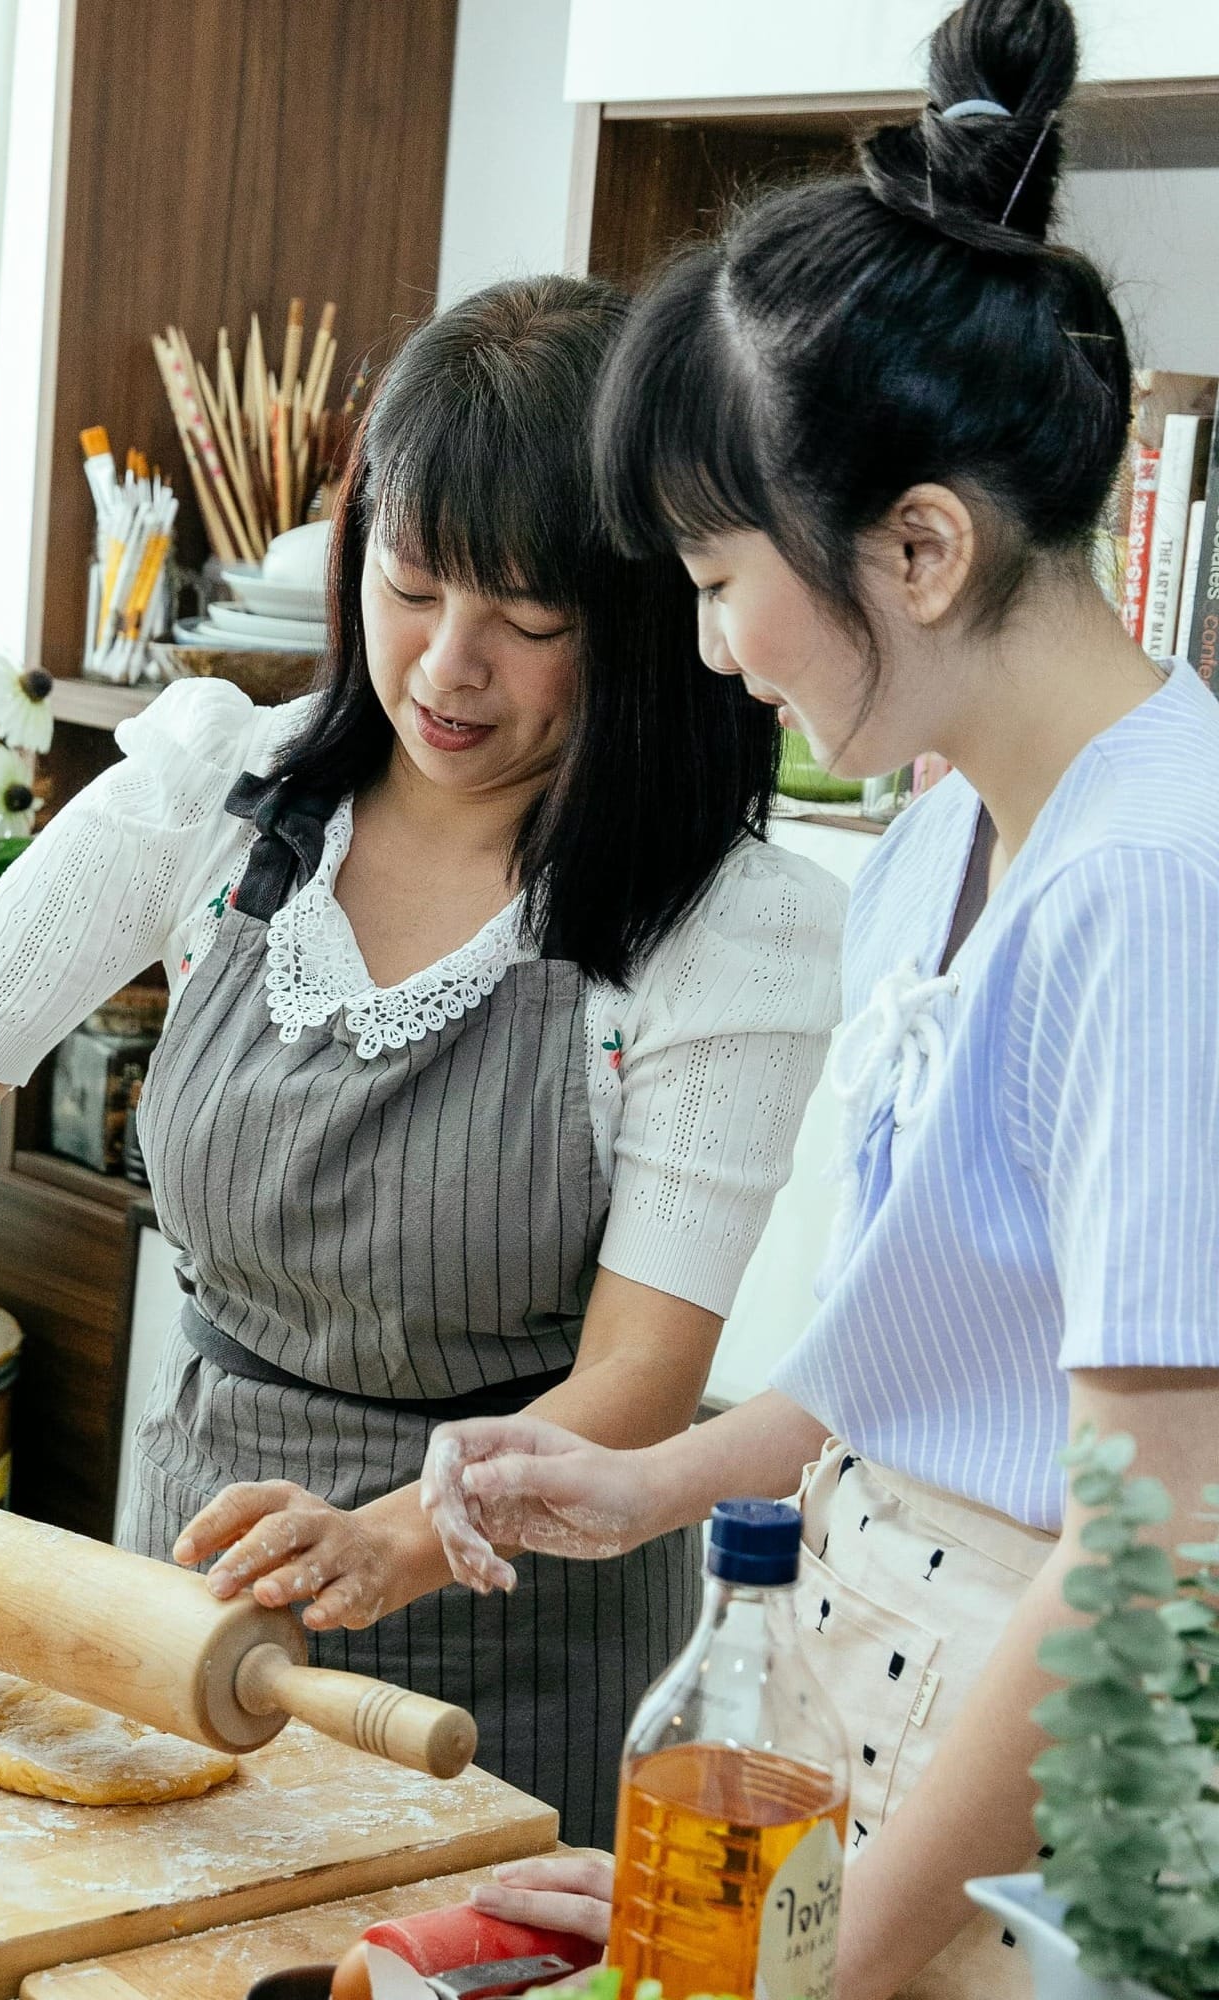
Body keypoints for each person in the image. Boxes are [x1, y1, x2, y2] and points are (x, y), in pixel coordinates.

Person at [0, 275, 845, 1844]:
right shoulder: (211, 798)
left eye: (527, 622)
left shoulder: (723, 934)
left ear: (641, 621)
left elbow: (636, 1383)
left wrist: (387, 1543)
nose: (446, 667)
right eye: (413, 585)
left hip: (519, 1640)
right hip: (185, 1591)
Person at [417, 2, 1219, 1992]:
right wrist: (653, 1478)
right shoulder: (942, 836)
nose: (703, 642)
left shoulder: (1156, 884)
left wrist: (839, 1949)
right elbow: (925, 1349)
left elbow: (1151, 1548)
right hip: (856, 1704)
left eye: (710, 570)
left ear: (921, 546)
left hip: (1031, 1798)